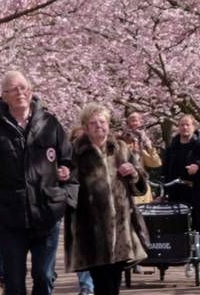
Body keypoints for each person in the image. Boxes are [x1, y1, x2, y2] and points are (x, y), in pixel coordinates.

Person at [0, 70, 76, 295]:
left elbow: (70, 161)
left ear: (31, 91)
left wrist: (65, 194)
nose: (20, 93)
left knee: (45, 276)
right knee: (14, 283)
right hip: (9, 219)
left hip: (47, 215)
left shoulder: (50, 123)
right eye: (13, 89)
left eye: (24, 88)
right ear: (4, 95)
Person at [64, 104, 148, 295]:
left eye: (102, 121)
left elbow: (141, 185)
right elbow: (67, 187)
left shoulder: (121, 148)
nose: (99, 126)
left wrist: (134, 172)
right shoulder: (75, 152)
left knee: (114, 283)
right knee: (101, 283)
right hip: (91, 230)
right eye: (93, 123)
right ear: (85, 127)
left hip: (120, 228)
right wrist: (65, 177)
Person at [160, 113, 200, 281]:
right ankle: (185, 257)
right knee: (180, 230)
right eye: (181, 124)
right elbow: (165, 171)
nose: (184, 128)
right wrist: (163, 192)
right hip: (178, 194)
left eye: (187, 124)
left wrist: (199, 165)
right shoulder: (172, 147)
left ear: (193, 127)